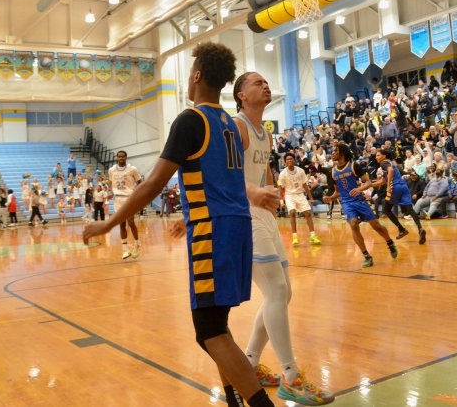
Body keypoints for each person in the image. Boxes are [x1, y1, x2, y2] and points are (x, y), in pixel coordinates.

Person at [84, 43, 274, 407]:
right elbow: (224, 183)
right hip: (234, 227)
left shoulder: (191, 119)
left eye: (190, 73)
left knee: (209, 332)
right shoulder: (231, 126)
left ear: (197, 76)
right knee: (217, 324)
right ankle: (233, 399)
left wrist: (109, 223)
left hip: (213, 232)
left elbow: (153, 183)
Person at [232, 71, 332, 405]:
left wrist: (271, 193)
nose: (264, 85)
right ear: (242, 95)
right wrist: (254, 194)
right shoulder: (238, 125)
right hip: (244, 213)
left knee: (283, 293)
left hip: (263, 212)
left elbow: (263, 172)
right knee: (275, 290)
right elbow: (224, 175)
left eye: (265, 81)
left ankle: (249, 364)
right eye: (256, 82)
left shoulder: (266, 133)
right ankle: (291, 376)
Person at [324, 143, 398, 267]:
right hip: (347, 203)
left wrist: (360, 189)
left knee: (376, 226)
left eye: (335, 151)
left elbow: (368, 183)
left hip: (360, 200)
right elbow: (338, 192)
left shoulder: (354, 165)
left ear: (341, 152)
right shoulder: (332, 172)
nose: (332, 153)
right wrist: (330, 197)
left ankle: (390, 243)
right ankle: (366, 256)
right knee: (353, 224)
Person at [373, 149, 426, 243]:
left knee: (386, 209)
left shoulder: (383, 163)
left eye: (378, 155)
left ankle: (401, 229)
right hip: (404, 187)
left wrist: (389, 186)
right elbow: (382, 181)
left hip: (395, 187)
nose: (376, 157)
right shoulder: (391, 162)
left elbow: (390, 171)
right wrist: (370, 185)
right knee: (410, 209)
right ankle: (420, 229)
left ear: (384, 156)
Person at [277, 154, 321, 247]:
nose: (289, 160)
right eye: (288, 159)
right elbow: (281, 189)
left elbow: (305, 186)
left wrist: (311, 198)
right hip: (289, 195)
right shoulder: (282, 174)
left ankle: (313, 236)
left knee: (308, 213)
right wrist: (281, 201)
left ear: (294, 160)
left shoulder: (300, 171)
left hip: (300, 194)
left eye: (291, 159)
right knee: (292, 213)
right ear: (285, 162)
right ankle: (295, 237)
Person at [109, 150, 142, 260]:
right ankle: (125, 250)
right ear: (117, 158)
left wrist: (136, 193)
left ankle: (137, 244)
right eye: (119, 157)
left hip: (129, 198)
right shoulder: (112, 170)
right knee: (122, 224)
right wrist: (111, 192)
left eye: (123, 157)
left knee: (131, 222)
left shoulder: (133, 169)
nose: (121, 158)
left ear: (126, 157)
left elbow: (140, 182)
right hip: (118, 199)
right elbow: (111, 183)